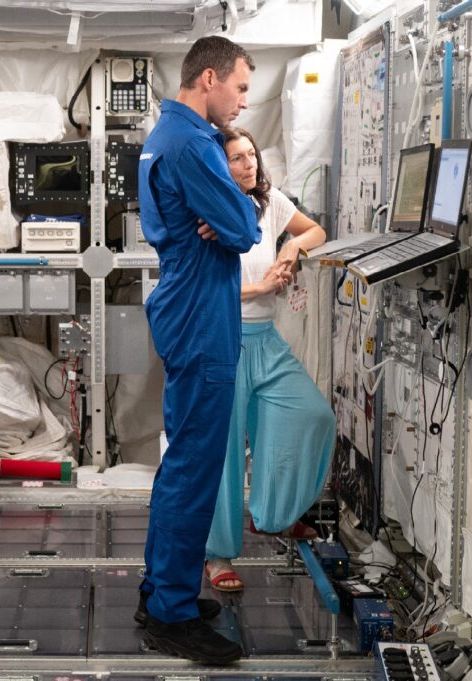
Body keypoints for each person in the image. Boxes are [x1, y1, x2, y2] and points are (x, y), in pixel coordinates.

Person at [135, 36, 262, 666]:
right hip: (202, 311)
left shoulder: (166, 135)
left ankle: (161, 589)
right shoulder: (192, 143)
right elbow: (243, 229)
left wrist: (233, 216)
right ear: (208, 78)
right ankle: (172, 615)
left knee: (182, 459)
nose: (243, 102)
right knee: (194, 465)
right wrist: (235, 217)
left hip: (186, 301)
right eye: (239, 88)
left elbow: (237, 221)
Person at [201, 128, 336, 593]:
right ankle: (217, 555)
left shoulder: (268, 203)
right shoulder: (206, 216)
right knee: (224, 452)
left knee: (312, 414)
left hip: (266, 340)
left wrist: (292, 246)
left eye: (251, 155)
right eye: (236, 159)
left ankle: (271, 514)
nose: (249, 164)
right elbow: (201, 291)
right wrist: (260, 287)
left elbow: (315, 229)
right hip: (225, 340)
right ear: (219, 166)